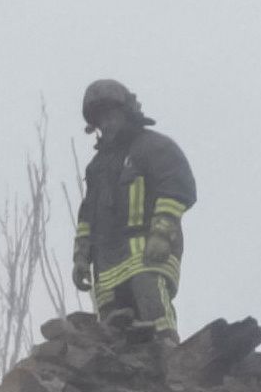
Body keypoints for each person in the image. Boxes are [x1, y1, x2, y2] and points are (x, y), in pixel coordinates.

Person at [74, 80, 195, 340]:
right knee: (112, 329)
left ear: (127, 112)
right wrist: (81, 257)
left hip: (148, 250)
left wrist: (162, 233)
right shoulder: (97, 167)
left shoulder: (154, 147)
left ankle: (169, 358)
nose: (106, 124)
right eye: (100, 119)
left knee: (153, 309)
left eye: (111, 115)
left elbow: (177, 189)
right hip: (106, 262)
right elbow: (87, 216)